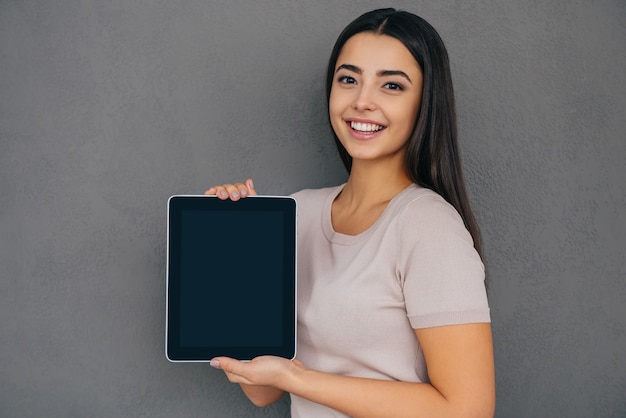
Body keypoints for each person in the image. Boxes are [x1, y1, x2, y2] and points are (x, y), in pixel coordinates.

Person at [205, 8, 495, 417]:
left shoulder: (428, 227)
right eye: (348, 79)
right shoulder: (298, 213)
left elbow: (468, 410)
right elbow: (262, 391)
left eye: (391, 85)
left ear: (424, 103)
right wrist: (230, 253)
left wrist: (299, 380)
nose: (362, 101)